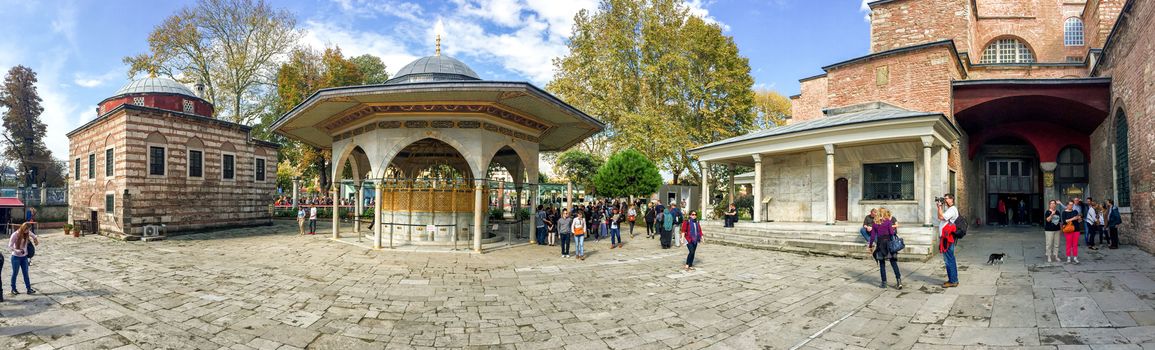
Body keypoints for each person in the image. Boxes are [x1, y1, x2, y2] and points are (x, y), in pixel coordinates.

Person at [868, 208, 902, 289]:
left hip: (880, 245)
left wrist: (870, 246)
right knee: (893, 263)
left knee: (882, 264)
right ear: (885, 214)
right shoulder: (888, 222)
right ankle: (899, 281)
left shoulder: (875, 223)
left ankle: (884, 283)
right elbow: (892, 233)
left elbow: (872, 236)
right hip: (889, 244)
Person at [9, 222, 38, 296]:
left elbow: (34, 236)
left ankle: (29, 289)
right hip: (16, 257)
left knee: (26, 273)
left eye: (29, 230)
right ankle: (13, 289)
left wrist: (35, 240)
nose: (28, 231)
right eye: (27, 230)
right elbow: (10, 246)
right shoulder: (15, 235)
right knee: (15, 273)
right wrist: (17, 250)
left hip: (24, 257)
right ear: (23, 228)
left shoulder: (27, 233)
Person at [937, 194, 959, 288]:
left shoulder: (952, 210)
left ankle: (953, 281)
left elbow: (941, 217)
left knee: (949, 260)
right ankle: (953, 280)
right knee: (950, 259)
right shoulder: (950, 210)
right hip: (946, 238)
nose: (945, 201)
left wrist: (939, 207)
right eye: (944, 199)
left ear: (951, 200)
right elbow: (940, 216)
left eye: (946, 199)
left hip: (948, 239)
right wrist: (939, 208)